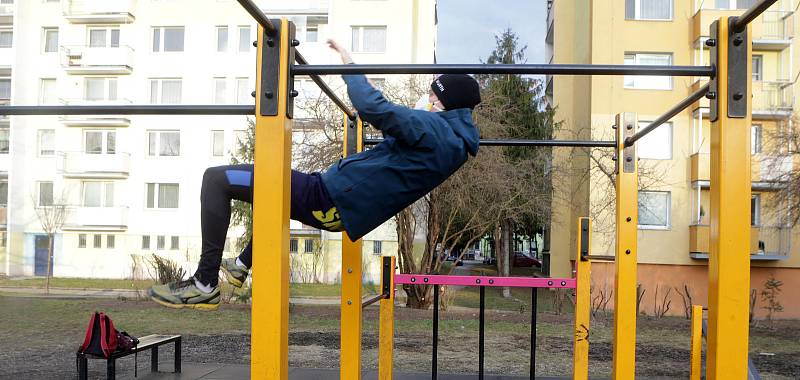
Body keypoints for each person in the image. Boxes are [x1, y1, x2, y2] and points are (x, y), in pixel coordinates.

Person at [148, 39, 481, 310]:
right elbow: (400, 150)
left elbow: (374, 108)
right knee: (273, 194)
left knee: (215, 179)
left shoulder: (436, 131)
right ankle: (241, 265)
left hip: (330, 196)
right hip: (335, 201)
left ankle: (204, 283)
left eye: (434, 95)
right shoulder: (449, 143)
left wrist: (350, 65)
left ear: (447, 104)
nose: (428, 99)